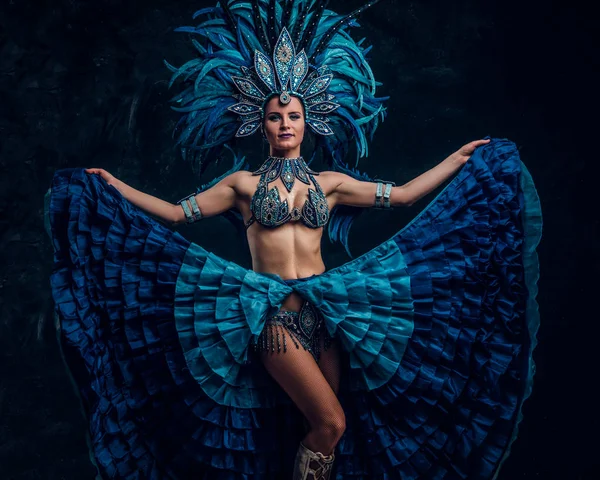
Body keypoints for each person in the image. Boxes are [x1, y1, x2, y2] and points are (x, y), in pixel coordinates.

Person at [46, 1, 542, 479]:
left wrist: (459, 159)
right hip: (272, 316)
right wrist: (115, 186)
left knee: (324, 432)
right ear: (259, 124)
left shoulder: (330, 183)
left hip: (327, 314)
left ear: (309, 122)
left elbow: (407, 195)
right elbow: (176, 215)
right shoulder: (241, 186)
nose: (285, 124)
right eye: (275, 117)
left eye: (294, 117)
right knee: (332, 422)